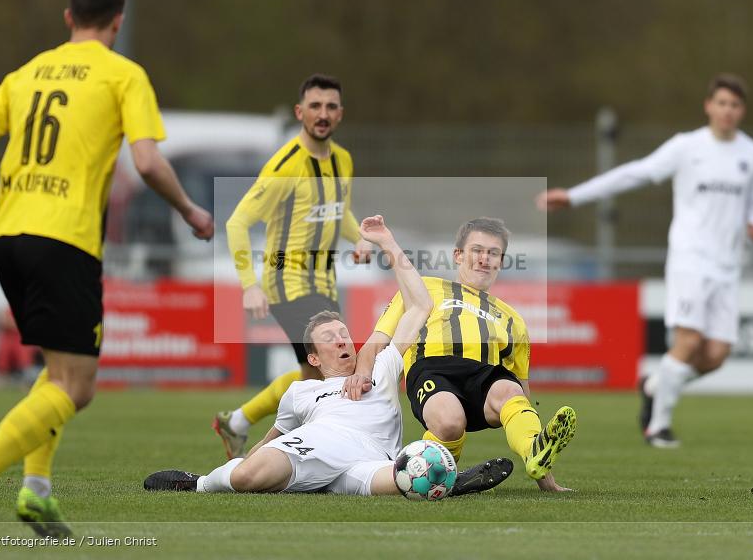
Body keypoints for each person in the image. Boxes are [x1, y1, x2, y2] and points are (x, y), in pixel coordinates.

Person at [0, 0, 214, 539]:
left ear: (68, 18)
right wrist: (189, 210)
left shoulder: (27, 72)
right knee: (77, 386)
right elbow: (150, 162)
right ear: (119, 18)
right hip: (63, 240)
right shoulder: (123, 75)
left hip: (8, 238)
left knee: (55, 373)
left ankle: (36, 493)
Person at [147, 216, 512, 497]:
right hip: (318, 446)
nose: (342, 339)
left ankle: (448, 479)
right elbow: (274, 436)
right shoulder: (301, 393)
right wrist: (247, 457)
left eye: (343, 333)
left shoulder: (380, 368)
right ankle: (200, 484)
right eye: (329, 337)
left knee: (411, 477)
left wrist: (386, 241)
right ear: (315, 359)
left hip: (369, 461)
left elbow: (420, 304)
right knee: (246, 476)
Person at [536, 73, 753, 448]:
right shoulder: (686, 146)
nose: (727, 111)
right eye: (721, 103)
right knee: (689, 341)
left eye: (735, 105)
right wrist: (575, 196)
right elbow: (636, 173)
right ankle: (657, 426)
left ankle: (654, 384)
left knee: (717, 354)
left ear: (742, 111)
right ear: (709, 105)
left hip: (728, 266)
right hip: (690, 259)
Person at [344, 218, 577, 492]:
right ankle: (443, 477)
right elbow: (375, 343)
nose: (484, 259)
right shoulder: (423, 288)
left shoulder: (513, 319)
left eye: (493, 253)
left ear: (501, 262)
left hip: (483, 377)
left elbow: (522, 395)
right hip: (433, 370)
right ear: (458, 255)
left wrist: (545, 480)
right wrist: (360, 375)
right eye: (477, 250)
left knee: (508, 390)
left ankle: (534, 451)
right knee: (450, 421)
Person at [214, 74, 372, 459]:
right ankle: (265, 457)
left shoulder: (343, 160)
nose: (323, 114)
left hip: (324, 284)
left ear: (340, 114)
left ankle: (237, 424)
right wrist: (250, 284)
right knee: (332, 371)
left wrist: (360, 238)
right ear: (300, 112)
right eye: (315, 106)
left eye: (330, 107)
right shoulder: (285, 165)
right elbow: (237, 222)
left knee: (312, 375)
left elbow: (338, 212)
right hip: (288, 282)